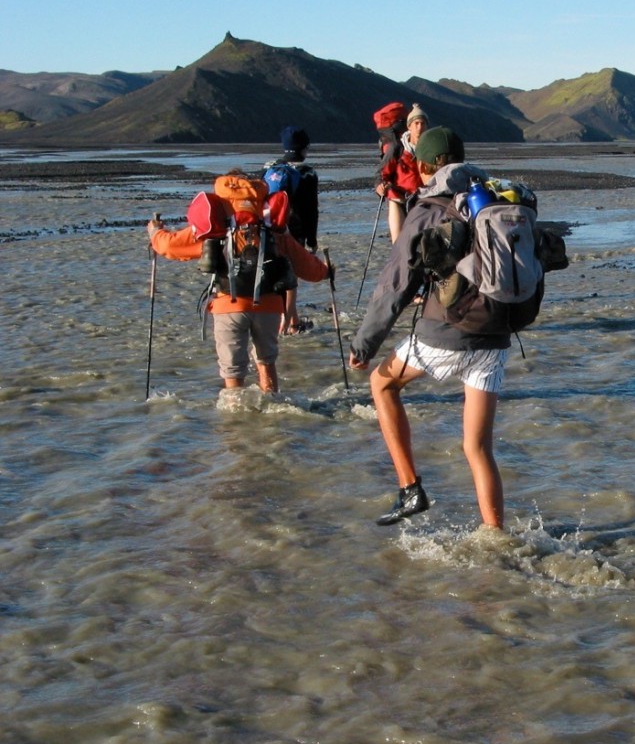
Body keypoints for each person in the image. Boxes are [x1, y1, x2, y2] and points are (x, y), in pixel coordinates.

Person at [349, 126, 507, 529]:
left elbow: (395, 284)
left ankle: (410, 490)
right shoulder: (492, 198)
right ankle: (495, 537)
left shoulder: (428, 209)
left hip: (449, 332)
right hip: (497, 332)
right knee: (478, 447)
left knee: (382, 385)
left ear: (422, 166)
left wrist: (364, 344)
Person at [148, 175, 330, 393]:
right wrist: (327, 271)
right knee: (267, 362)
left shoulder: (215, 221)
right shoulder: (269, 221)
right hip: (269, 306)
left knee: (233, 372)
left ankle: (236, 422)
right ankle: (272, 417)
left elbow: (170, 246)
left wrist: (155, 232)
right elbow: (304, 264)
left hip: (229, 305)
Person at [264, 126, 320, 335]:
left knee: (276, 274)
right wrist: (312, 240)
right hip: (294, 231)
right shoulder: (307, 173)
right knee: (291, 277)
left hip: (270, 229)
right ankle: (289, 325)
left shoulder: (268, 168)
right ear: (304, 148)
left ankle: (289, 319)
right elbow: (311, 210)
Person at [373, 103, 426, 243]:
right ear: (409, 126)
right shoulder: (397, 148)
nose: (420, 127)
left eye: (423, 123)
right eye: (416, 123)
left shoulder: (429, 148)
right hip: (398, 198)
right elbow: (382, 172)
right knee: (399, 246)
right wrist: (380, 187)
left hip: (421, 200)